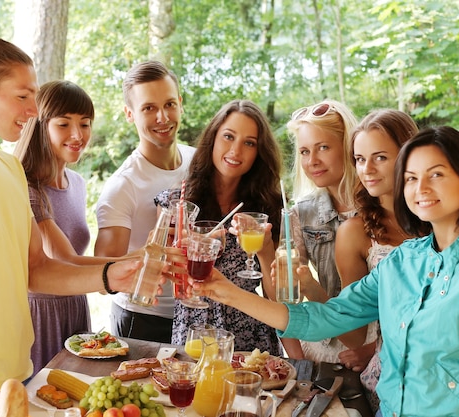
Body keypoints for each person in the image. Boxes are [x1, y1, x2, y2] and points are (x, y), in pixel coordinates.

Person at [195, 126, 459, 416]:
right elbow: (323, 318)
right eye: (411, 178)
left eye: (436, 174)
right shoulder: (402, 261)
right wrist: (222, 288)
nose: (421, 188)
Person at [0, 38, 146, 417]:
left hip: (19, 377)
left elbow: (36, 269)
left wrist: (113, 275)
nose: (33, 110)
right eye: (23, 96)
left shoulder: (8, 169)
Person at [14, 80, 132, 374]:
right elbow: (66, 259)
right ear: (42, 126)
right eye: (64, 124)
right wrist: (139, 261)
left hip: (75, 308)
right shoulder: (27, 187)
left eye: (85, 124)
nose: (77, 135)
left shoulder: (77, 184)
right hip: (39, 315)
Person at [156, 99, 283, 355]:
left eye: (249, 143)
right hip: (192, 333)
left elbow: (276, 297)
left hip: (249, 338)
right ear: (213, 138)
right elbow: (159, 275)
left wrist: (265, 248)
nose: (236, 151)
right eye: (228, 136)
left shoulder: (267, 208)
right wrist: (183, 252)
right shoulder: (177, 204)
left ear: (259, 152)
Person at [94, 61, 196, 343]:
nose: (162, 117)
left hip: (196, 314)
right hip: (144, 321)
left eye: (169, 104)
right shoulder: (122, 187)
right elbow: (101, 274)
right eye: (149, 108)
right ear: (130, 114)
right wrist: (148, 253)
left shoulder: (198, 161)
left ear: (181, 104)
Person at [278, 99, 377, 365]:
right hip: (325, 348)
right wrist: (298, 363)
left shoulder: (380, 205)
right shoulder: (301, 213)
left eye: (323, 147)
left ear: (347, 147)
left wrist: (375, 351)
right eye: (304, 151)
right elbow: (284, 298)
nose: (312, 161)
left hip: (380, 348)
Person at [334, 109, 418, 411]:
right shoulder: (354, 234)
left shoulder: (439, 222)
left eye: (380, 157)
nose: (367, 169)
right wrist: (306, 288)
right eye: (359, 159)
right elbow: (353, 331)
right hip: (391, 385)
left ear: (409, 156)